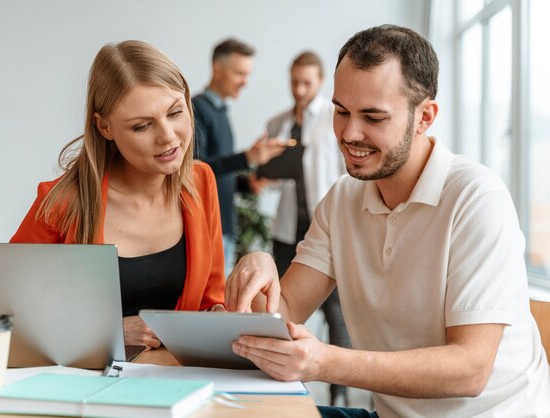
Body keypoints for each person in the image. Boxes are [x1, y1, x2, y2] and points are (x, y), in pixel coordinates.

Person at [226, 25, 550, 417]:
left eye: (373, 117)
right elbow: (285, 310)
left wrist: (325, 362)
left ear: (424, 117)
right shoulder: (343, 199)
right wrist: (261, 265)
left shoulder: (477, 198)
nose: (349, 133)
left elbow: (471, 370)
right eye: (341, 111)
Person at [11, 40, 225, 349]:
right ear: (104, 127)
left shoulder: (200, 182)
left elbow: (210, 301)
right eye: (141, 126)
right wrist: (107, 332)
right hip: (86, 389)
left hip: (176, 385)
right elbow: (10, 315)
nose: (167, 136)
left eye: (175, 112)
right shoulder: (61, 203)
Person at [262, 51, 350, 407]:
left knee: (336, 312)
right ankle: (283, 385)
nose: (299, 90)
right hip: (287, 230)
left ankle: (339, 391)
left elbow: (345, 173)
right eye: (294, 82)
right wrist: (262, 173)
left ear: (320, 82)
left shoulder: (334, 120)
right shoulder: (278, 122)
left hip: (325, 228)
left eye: (307, 83)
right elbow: (269, 180)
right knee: (282, 309)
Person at [193, 38, 285, 276]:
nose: (245, 82)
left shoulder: (221, 112)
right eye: (239, 73)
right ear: (217, 69)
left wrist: (246, 184)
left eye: (248, 74)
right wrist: (246, 158)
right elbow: (195, 171)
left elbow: (218, 175)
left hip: (224, 229)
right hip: (207, 230)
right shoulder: (197, 110)